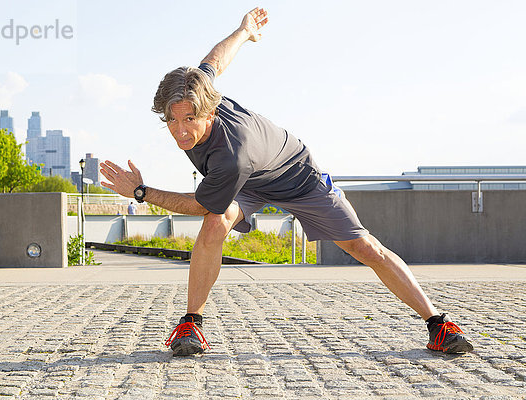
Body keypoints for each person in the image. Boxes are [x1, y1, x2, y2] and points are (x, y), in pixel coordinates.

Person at [100, 7, 474, 357]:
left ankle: (438, 325)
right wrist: (244, 31)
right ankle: (190, 324)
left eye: (190, 121)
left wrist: (140, 192)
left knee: (364, 248)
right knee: (216, 225)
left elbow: (200, 204)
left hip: (297, 177)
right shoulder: (198, 87)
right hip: (249, 182)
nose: (180, 132)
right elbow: (215, 60)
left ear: (210, 110)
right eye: (172, 121)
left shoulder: (233, 153)